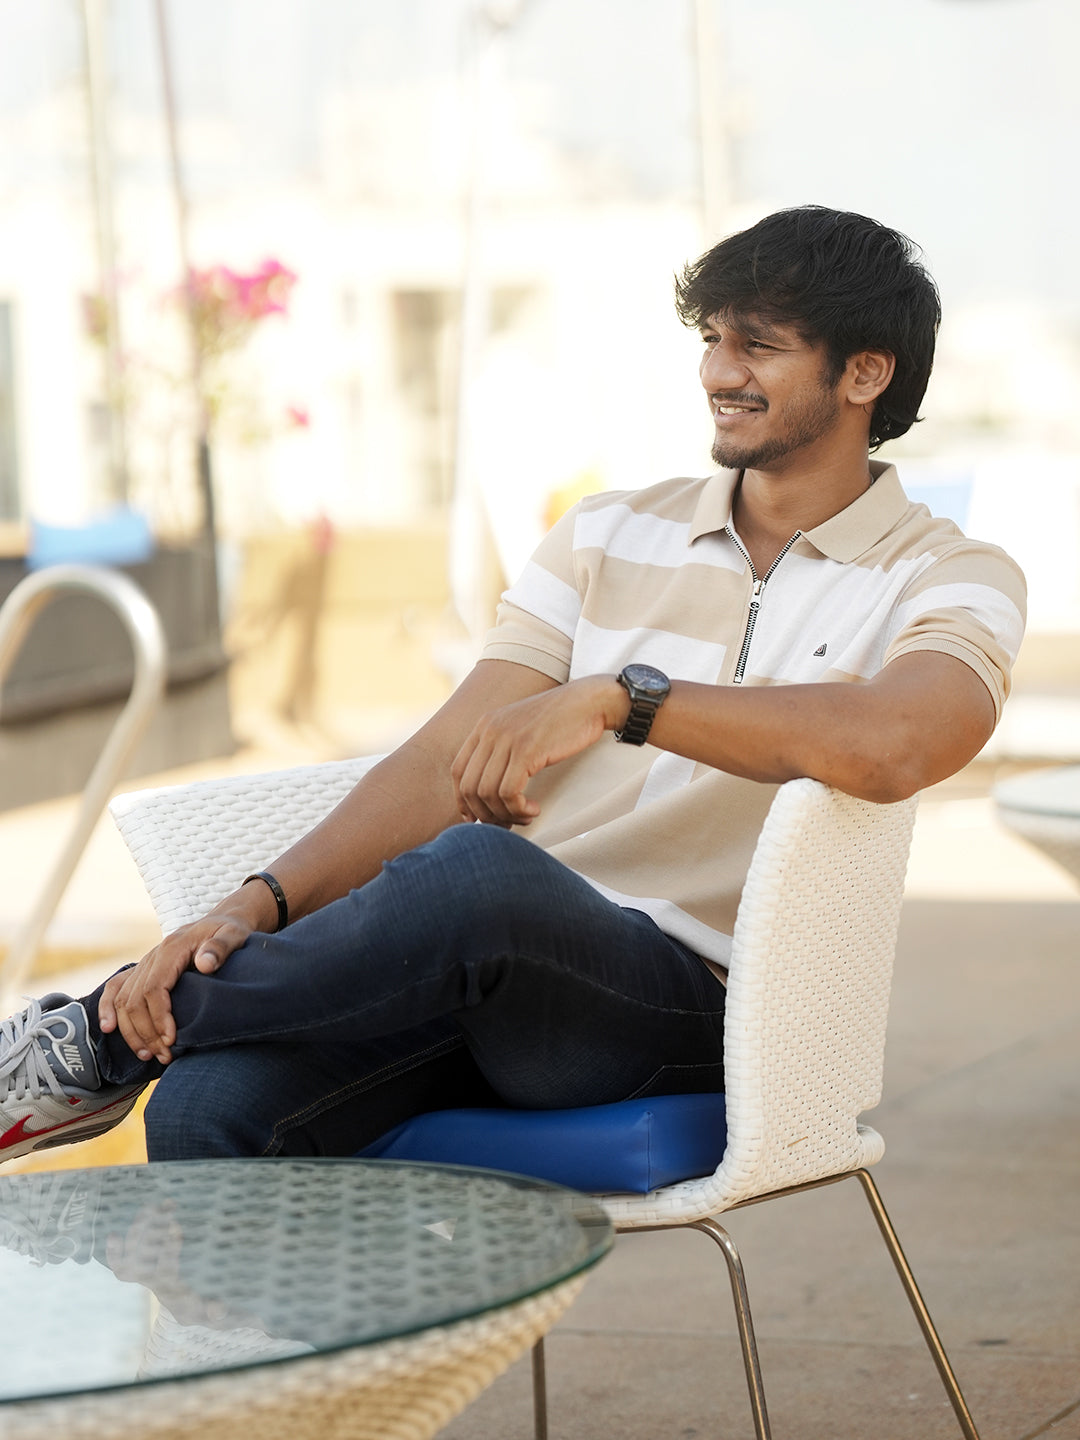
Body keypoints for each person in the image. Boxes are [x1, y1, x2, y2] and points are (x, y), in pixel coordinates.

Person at [0, 205, 1026, 1166]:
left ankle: (95, 1036)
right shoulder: (608, 533)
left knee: (481, 874)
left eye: (758, 345)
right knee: (207, 1106)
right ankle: (142, 1106)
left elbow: (898, 742)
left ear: (864, 374)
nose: (719, 371)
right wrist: (252, 905)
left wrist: (627, 698)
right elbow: (446, 758)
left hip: (701, 1006)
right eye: (713, 339)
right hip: (481, 974)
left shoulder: (946, 573)